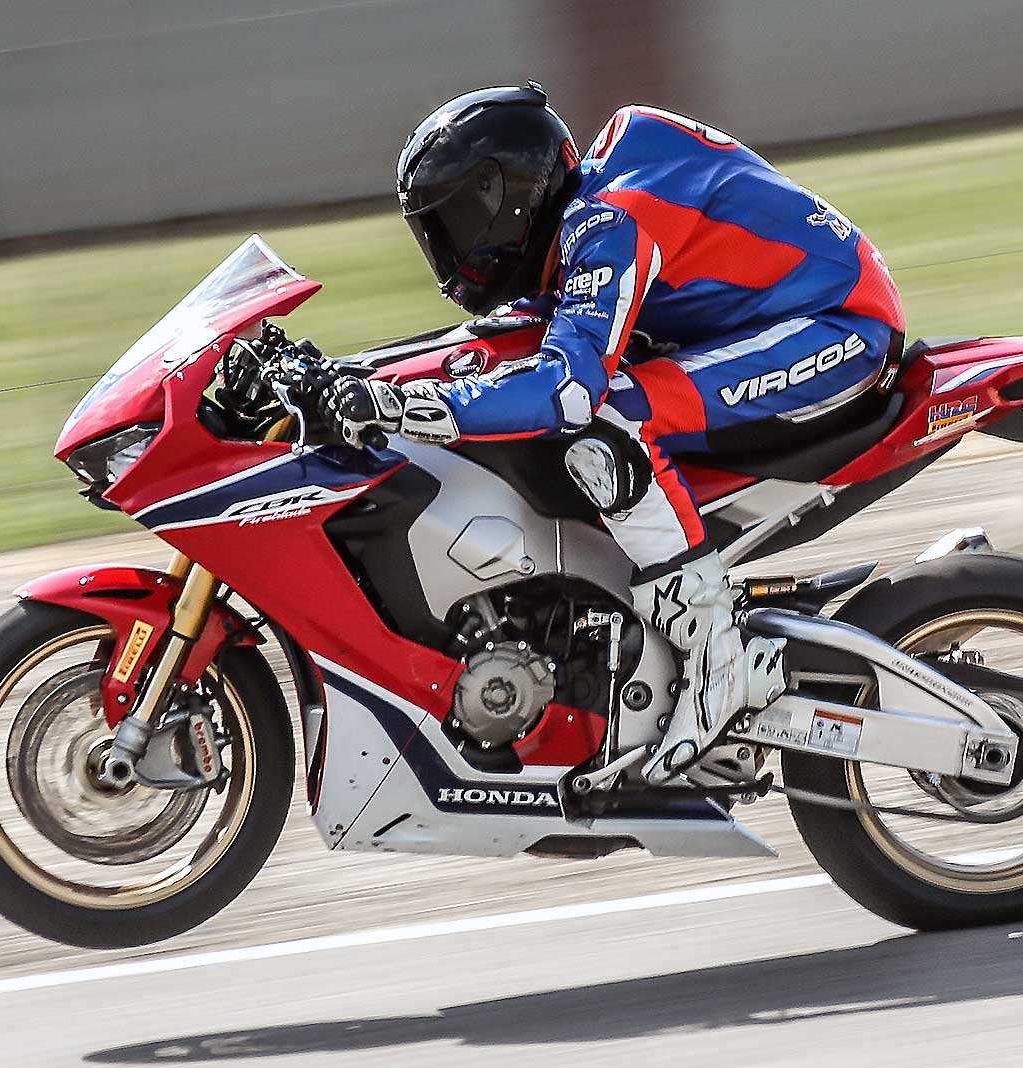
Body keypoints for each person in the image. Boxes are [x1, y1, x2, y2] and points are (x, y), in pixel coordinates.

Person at [327, 84, 905, 785]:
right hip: (756, 322)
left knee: (611, 419)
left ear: (507, 197)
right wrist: (350, 376)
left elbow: (566, 391)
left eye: (457, 224)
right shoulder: (579, 221)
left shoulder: (609, 222)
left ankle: (719, 656)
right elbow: (485, 346)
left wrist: (414, 409)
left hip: (835, 326)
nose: (453, 252)